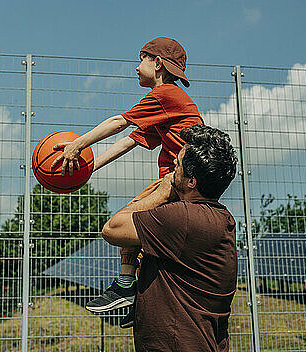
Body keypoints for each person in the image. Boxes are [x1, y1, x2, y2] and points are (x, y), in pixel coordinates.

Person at [50, 37, 203, 312]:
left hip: (180, 179)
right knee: (139, 223)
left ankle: (125, 285)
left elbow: (118, 122)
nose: (136, 67)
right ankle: (134, 291)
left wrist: (78, 144)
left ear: (157, 64)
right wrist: (88, 169)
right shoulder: (164, 106)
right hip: (177, 180)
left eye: (141, 59)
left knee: (124, 222)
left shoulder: (166, 94)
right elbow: (130, 141)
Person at [101, 125, 238, 351]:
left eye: (179, 164)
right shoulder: (221, 218)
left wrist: (162, 192)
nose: (173, 165)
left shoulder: (183, 218)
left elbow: (113, 228)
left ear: (191, 181)